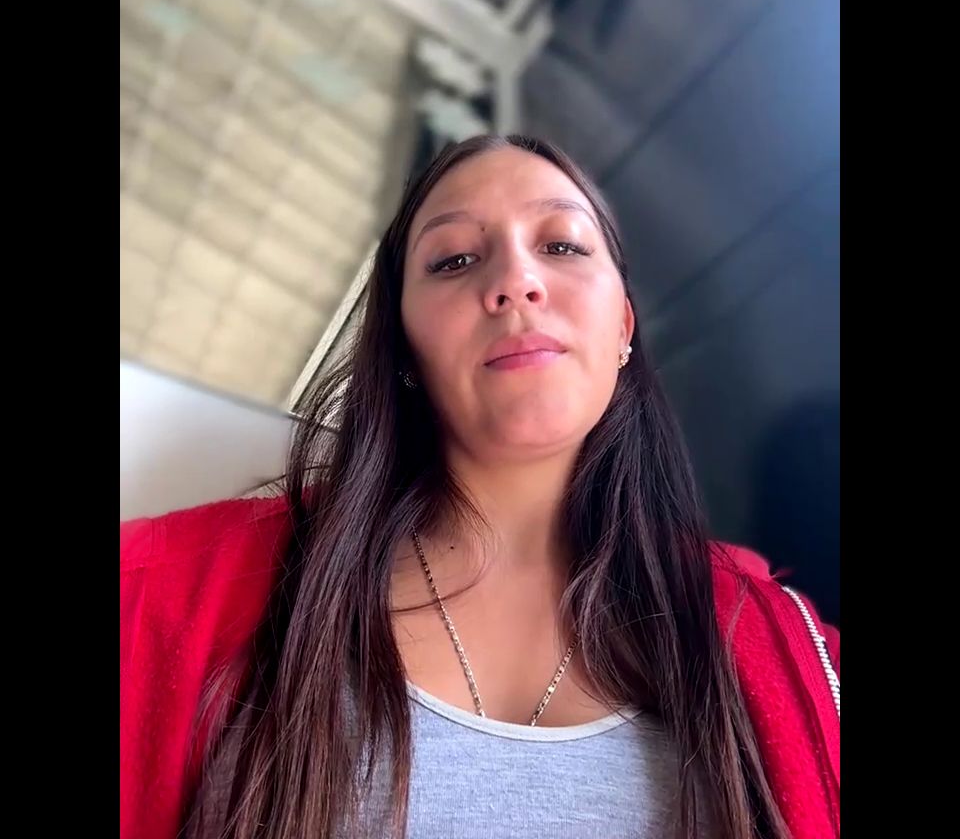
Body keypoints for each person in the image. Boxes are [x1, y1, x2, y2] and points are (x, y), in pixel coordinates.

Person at [120, 135, 839, 839]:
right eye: (455, 259)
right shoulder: (160, 594)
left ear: (623, 325)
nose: (516, 281)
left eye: (562, 245)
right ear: (403, 347)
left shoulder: (794, 652)